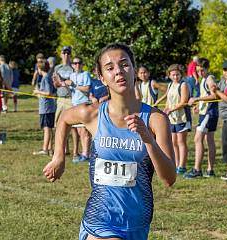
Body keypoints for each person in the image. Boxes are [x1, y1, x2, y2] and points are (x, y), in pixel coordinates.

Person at [43, 43, 176, 240]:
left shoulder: (156, 119)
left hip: (137, 222)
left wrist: (149, 140)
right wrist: (58, 158)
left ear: (134, 69)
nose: (119, 72)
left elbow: (169, 179)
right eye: (110, 68)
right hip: (99, 220)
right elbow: (64, 119)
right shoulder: (94, 114)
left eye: (124, 64)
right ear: (101, 77)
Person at [185, 58, 218, 178]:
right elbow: (206, 95)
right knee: (209, 141)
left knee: (197, 139)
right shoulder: (203, 79)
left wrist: (197, 99)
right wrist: (198, 106)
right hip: (206, 112)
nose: (199, 73)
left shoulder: (209, 78)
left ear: (207, 69)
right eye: (198, 71)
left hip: (209, 113)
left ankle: (197, 169)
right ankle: (210, 170)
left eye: (202, 70)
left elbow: (214, 95)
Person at [155, 64, 191, 175]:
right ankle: (176, 164)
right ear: (169, 75)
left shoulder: (183, 85)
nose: (175, 77)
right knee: (174, 142)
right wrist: (158, 103)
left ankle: (182, 166)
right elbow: (167, 96)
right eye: (173, 75)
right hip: (172, 118)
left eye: (177, 74)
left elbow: (183, 102)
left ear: (181, 74)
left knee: (181, 142)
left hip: (182, 117)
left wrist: (171, 109)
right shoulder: (170, 85)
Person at [67, 56, 92, 162]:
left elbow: (87, 89)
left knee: (84, 131)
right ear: (72, 65)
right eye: (75, 63)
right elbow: (71, 91)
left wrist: (74, 85)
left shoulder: (85, 74)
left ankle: (86, 154)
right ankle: (84, 153)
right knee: (78, 130)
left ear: (82, 65)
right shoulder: (71, 75)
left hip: (84, 104)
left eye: (79, 63)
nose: (77, 65)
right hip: (75, 104)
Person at [53, 46, 76, 155]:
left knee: (74, 126)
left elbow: (74, 83)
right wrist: (62, 82)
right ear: (61, 54)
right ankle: (64, 149)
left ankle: (75, 151)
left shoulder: (73, 67)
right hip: (60, 99)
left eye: (68, 53)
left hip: (72, 99)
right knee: (59, 124)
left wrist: (62, 81)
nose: (66, 55)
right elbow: (55, 84)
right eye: (64, 53)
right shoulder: (57, 68)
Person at [33, 59, 56, 155]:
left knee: (47, 129)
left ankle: (45, 149)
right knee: (49, 128)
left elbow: (48, 93)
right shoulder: (47, 77)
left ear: (39, 69)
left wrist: (38, 91)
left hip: (46, 108)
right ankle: (50, 149)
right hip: (47, 107)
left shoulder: (45, 78)